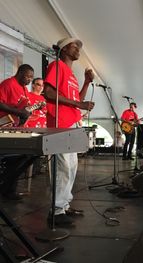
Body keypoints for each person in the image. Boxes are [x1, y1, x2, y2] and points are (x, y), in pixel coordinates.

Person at [44, 37, 95, 226]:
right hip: (60, 122)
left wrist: (87, 83)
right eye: (75, 46)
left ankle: (64, 205)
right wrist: (78, 104)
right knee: (62, 166)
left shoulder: (71, 74)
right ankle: (56, 211)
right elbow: (48, 93)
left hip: (72, 122)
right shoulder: (56, 66)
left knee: (72, 166)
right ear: (64, 49)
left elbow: (76, 99)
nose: (79, 50)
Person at [0, 64, 37, 200]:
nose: (29, 80)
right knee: (13, 157)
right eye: (27, 76)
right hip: (3, 125)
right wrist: (18, 112)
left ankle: (9, 191)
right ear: (20, 72)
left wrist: (25, 115)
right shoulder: (8, 83)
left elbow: (23, 108)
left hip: (15, 127)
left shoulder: (24, 89)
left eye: (31, 78)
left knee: (17, 158)